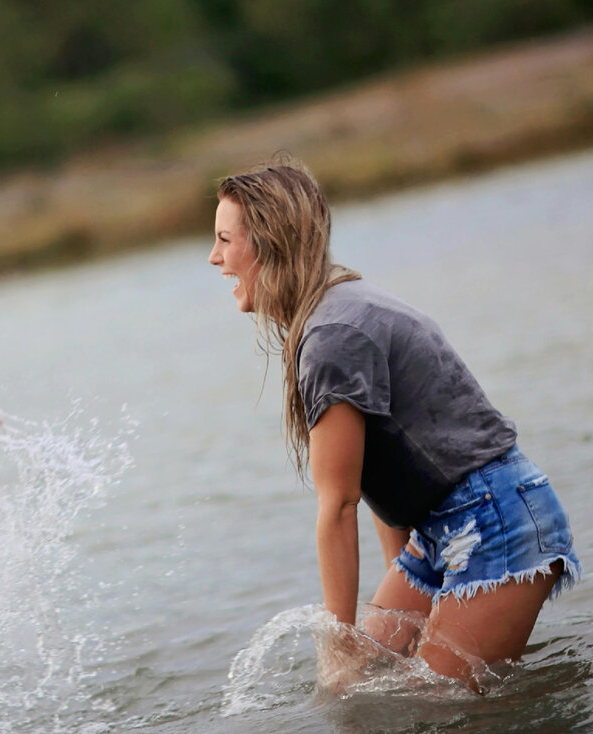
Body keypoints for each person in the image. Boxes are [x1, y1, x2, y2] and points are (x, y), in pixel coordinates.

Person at [207, 160, 580, 690]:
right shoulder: (334, 310)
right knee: (356, 693)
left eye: (225, 239)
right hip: (441, 531)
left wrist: (338, 637)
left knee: (432, 705)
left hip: (496, 520)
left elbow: (338, 504)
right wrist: (400, 605)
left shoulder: (333, 336)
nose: (215, 257)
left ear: (268, 244)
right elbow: (384, 467)